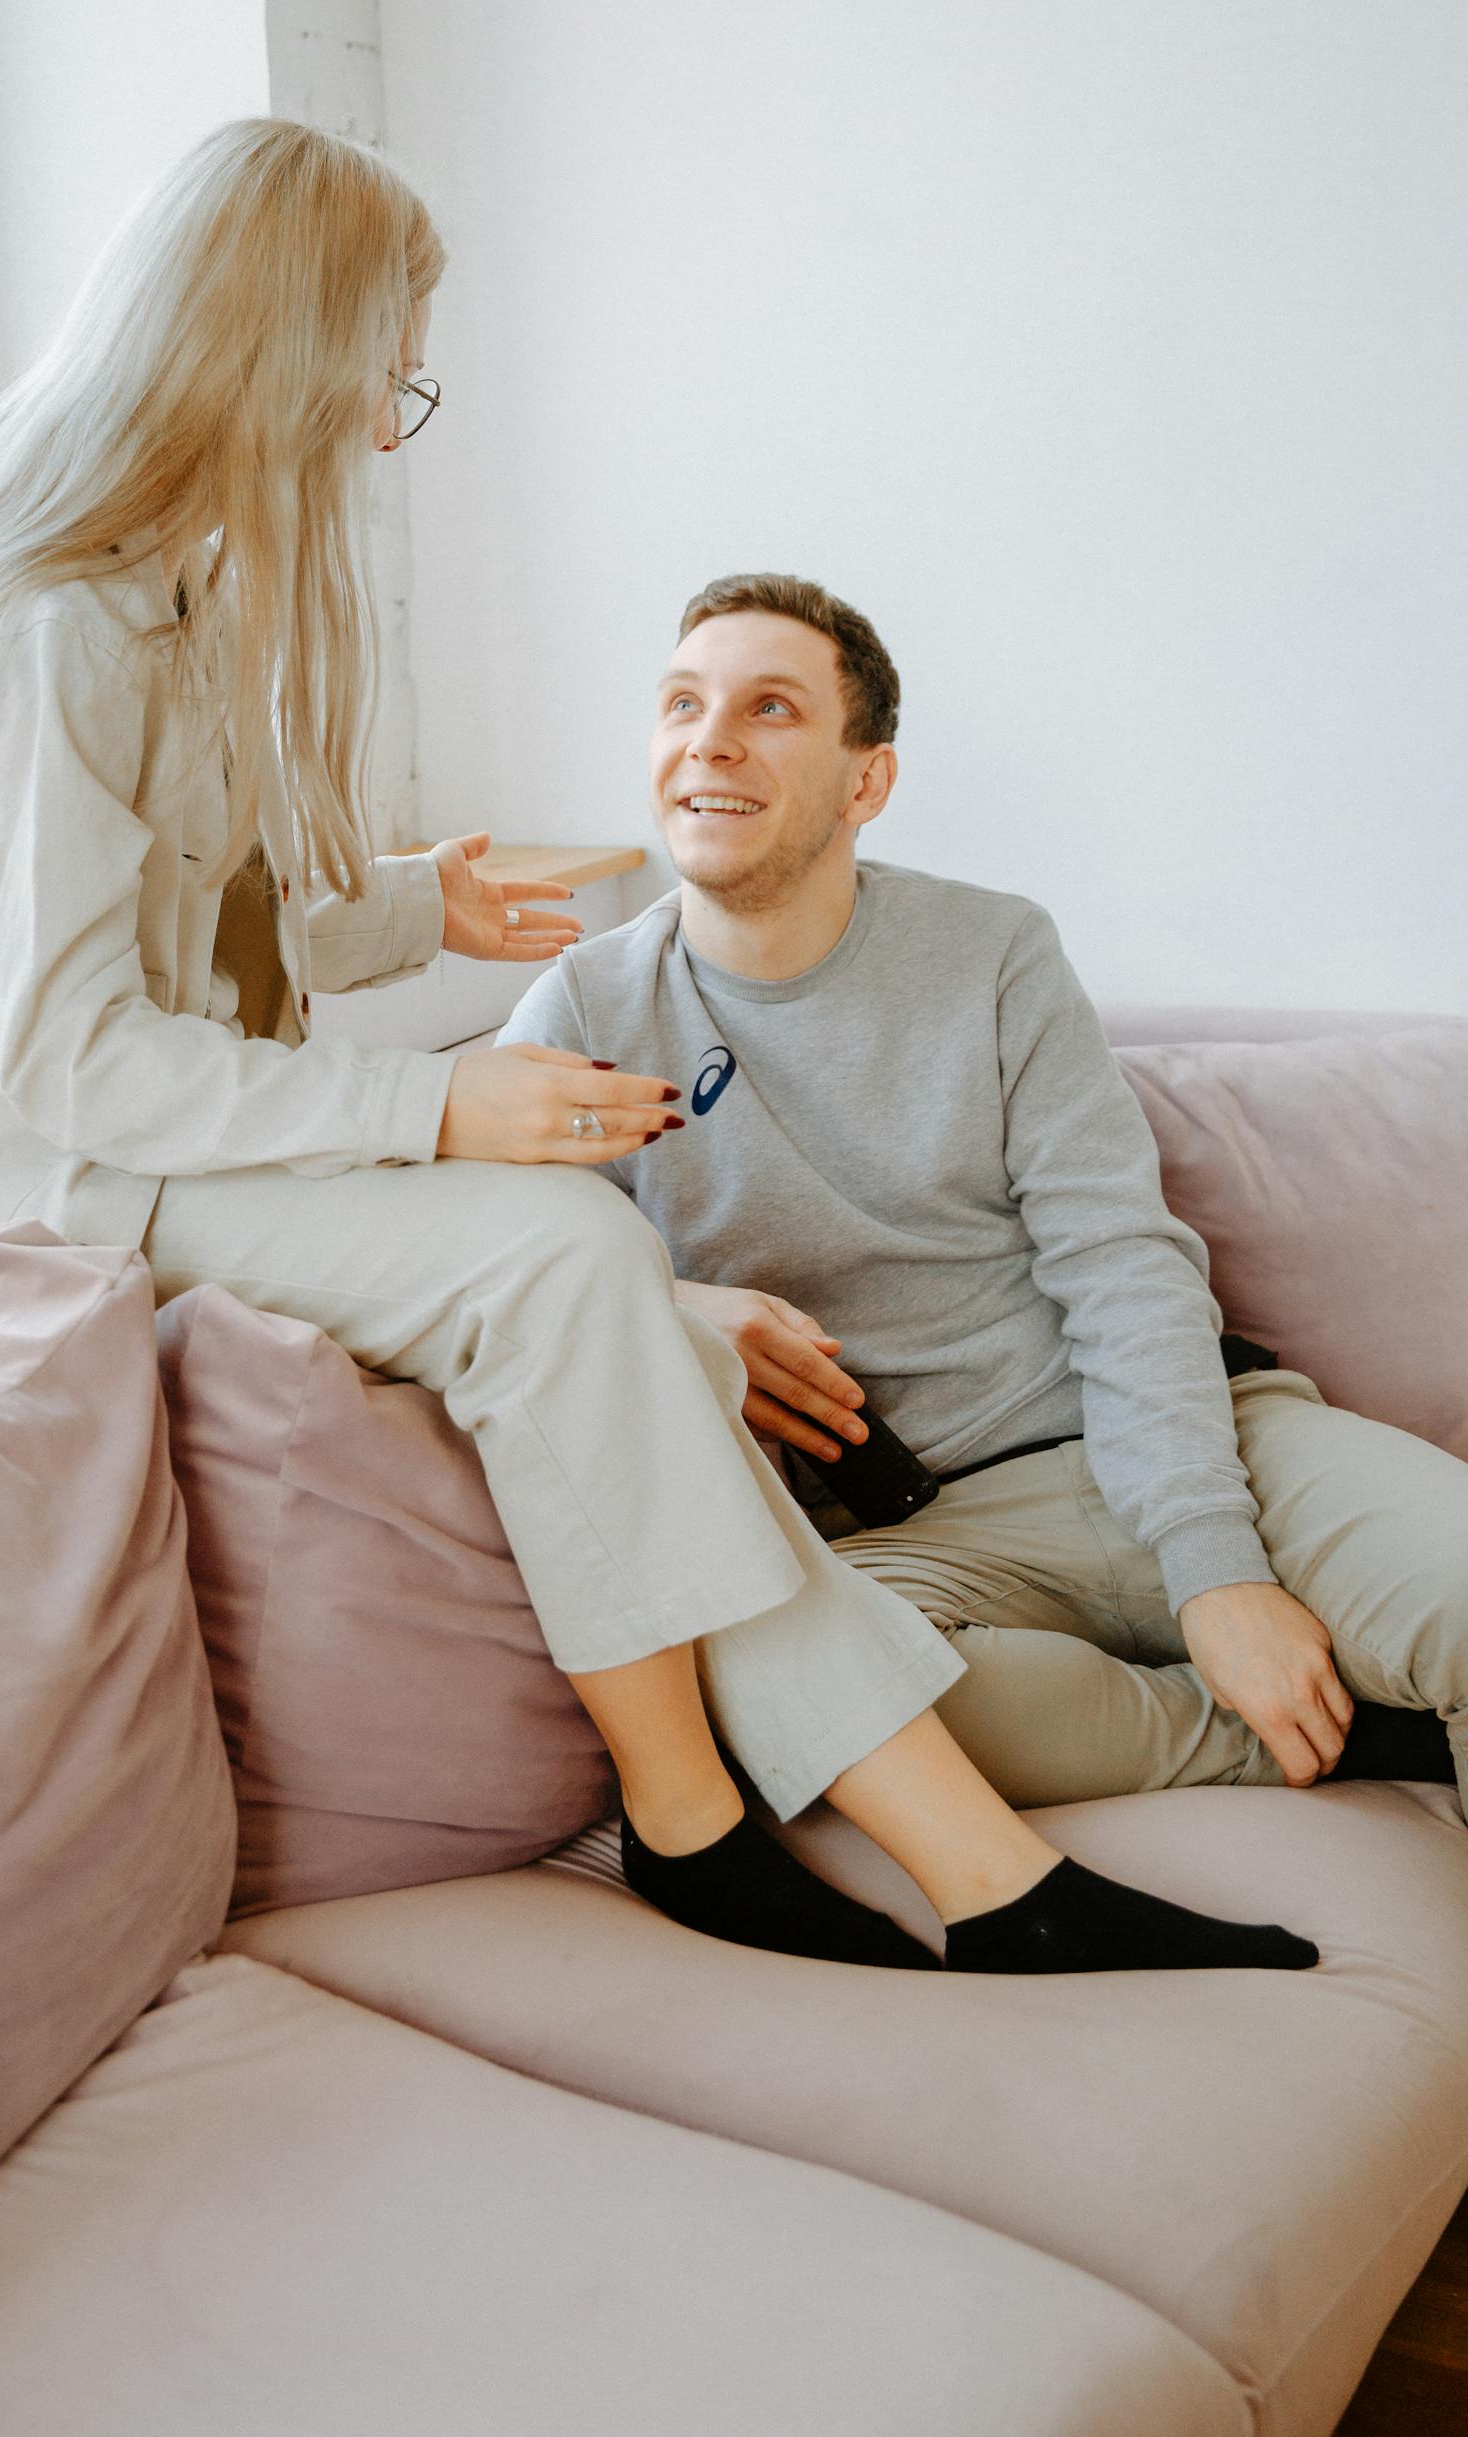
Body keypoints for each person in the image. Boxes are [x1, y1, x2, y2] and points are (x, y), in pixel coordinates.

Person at [0, 119, 1314, 1979]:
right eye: (382, 373)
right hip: (22, 1169)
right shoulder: (42, 626)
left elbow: (178, 911)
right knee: (571, 1251)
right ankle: (871, 1852)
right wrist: (436, 1100)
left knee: (601, 1280)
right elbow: (80, 1059)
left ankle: (769, 1833)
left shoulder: (165, 599)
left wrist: (407, 910)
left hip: (126, 1126)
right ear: (283, 345)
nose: (377, 425)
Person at [499, 570, 1466, 1818]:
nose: (709, 741)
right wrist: (672, 1308)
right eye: (681, 703)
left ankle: (1295, 1670)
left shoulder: (994, 951)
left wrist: (1217, 1568)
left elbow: (1120, 1257)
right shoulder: (582, 1010)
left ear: (867, 781)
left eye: (770, 708)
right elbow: (466, 1264)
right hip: (920, 1540)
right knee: (807, 1708)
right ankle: (1346, 1735)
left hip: (1188, 1443)